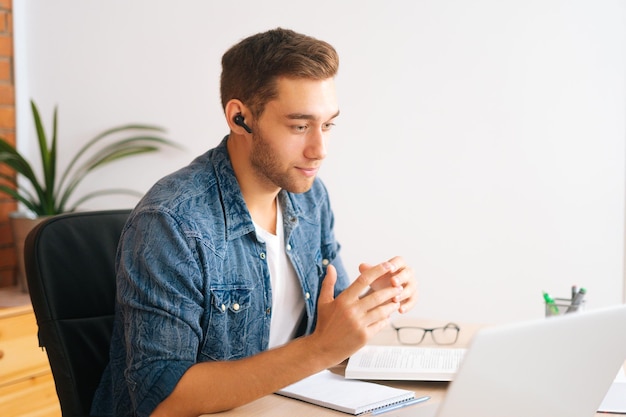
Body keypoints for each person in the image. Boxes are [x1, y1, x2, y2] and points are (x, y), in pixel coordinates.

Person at [91, 27, 417, 417]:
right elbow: (161, 399)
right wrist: (320, 349)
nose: (320, 149)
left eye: (327, 124)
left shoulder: (310, 197)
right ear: (239, 117)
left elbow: (331, 326)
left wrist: (371, 302)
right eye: (299, 126)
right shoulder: (171, 224)